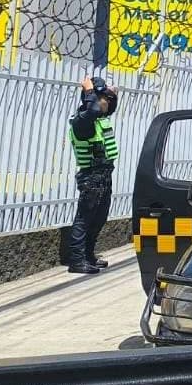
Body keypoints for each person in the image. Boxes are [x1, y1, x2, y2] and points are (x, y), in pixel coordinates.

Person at [64, 77, 120, 275]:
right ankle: (76, 260)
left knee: (99, 218)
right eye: (102, 98)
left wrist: (111, 94)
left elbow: (106, 109)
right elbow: (94, 109)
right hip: (91, 177)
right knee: (85, 218)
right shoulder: (82, 121)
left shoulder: (97, 120)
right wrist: (89, 91)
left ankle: (88, 255)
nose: (106, 103)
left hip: (103, 176)